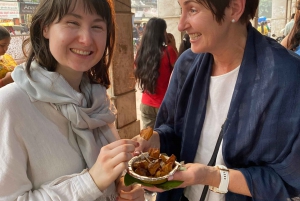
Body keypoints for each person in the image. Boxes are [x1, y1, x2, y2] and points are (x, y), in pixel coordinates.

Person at [133, 0, 300, 201]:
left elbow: (287, 180)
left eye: (192, 9)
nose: (180, 24)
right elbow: (173, 131)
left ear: (235, 8)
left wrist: (212, 176)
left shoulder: (287, 77)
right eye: (181, 9)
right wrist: (154, 140)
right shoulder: (186, 65)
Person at [0, 0, 144, 200]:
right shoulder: (11, 105)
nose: (86, 39)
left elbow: (110, 178)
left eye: (97, 26)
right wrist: (91, 182)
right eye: (72, 23)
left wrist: (123, 186)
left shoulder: (98, 99)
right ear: (45, 27)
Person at [134, 17, 178, 129]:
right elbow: (180, 71)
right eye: (164, 30)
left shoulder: (141, 53)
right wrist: (173, 46)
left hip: (146, 103)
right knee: (164, 139)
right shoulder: (168, 51)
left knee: (147, 140)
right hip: (164, 105)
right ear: (161, 33)